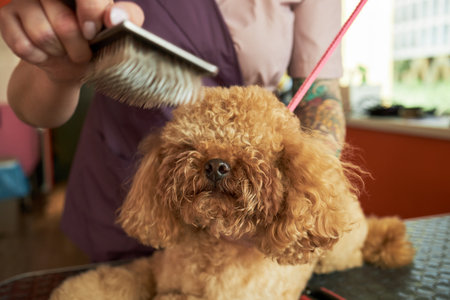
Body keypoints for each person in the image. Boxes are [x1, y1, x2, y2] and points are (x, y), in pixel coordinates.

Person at [0, 0, 345, 262]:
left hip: (252, 212)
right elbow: (31, 109)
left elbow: (320, 95)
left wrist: (300, 201)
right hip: (120, 179)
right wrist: (57, 68)